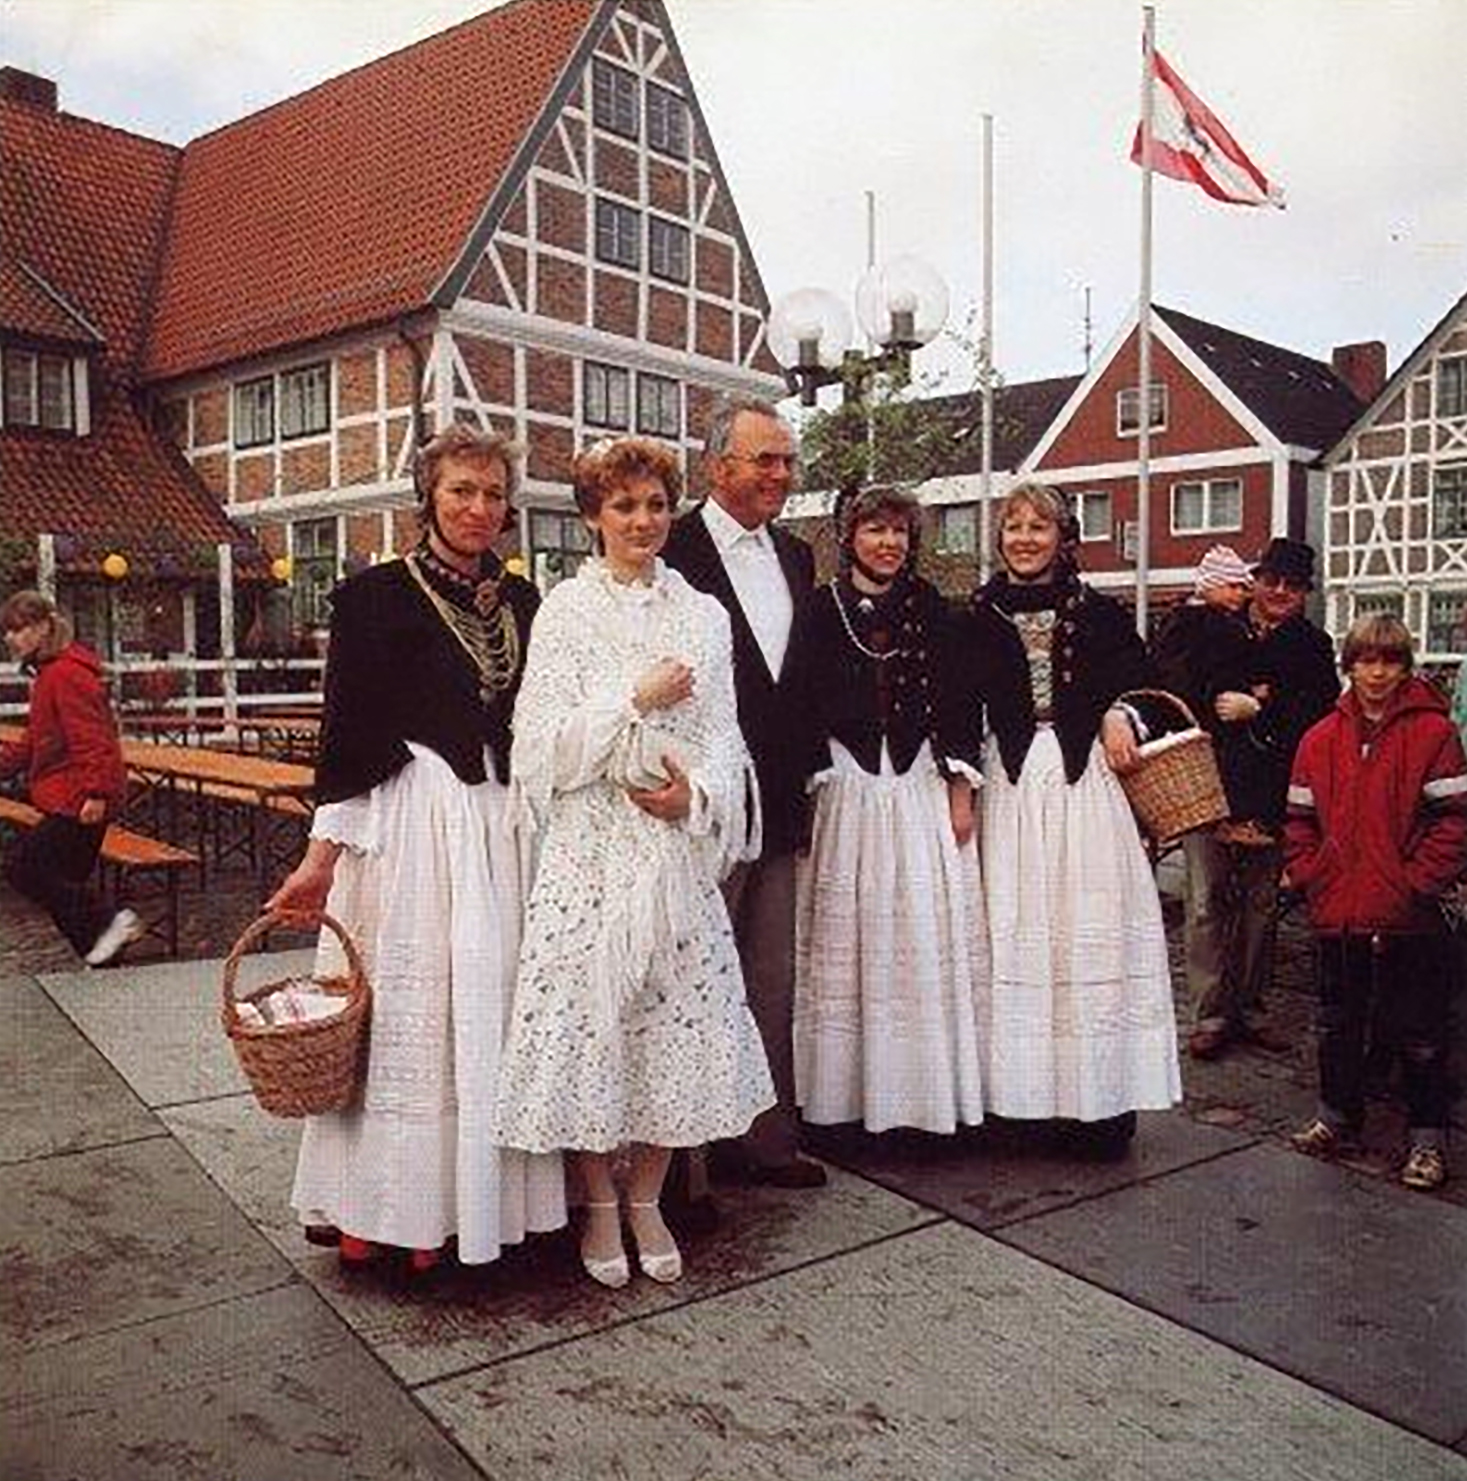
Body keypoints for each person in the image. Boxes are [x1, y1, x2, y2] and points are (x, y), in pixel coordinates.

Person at [266, 423, 565, 1272]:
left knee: (490, 1013)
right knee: (407, 1016)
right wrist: (322, 860)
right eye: (461, 490)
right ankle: (384, 1210)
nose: (477, 508)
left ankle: (481, 1206)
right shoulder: (374, 598)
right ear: (428, 498)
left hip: (503, 828)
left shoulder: (524, 603)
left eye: (493, 494)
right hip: (412, 828)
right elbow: (347, 734)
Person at [494, 436, 774, 1288]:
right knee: (591, 1024)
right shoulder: (564, 613)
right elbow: (536, 749)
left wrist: (695, 796)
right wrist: (633, 700)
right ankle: (597, 1204)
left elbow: (726, 739)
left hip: (673, 856)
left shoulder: (704, 615)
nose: (642, 520)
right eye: (623, 506)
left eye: (655, 504)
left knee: (673, 1026)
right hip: (588, 853)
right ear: (592, 517)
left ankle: (646, 1194)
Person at [961, 482, 1181, 1157]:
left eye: (1039, 526)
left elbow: (1154, 687)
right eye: (1013, 526)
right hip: (1009, 783)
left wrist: (1123, 712)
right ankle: (1016, 1102)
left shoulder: (1100, 614)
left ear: (1063, 537)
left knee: (1085, 928)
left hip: (1083, 783)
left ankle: (1096, 1102)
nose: (1024, 538)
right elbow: (949, 701)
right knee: (1015, 928)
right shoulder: (974, 614)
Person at [661, 396, 827, 1188]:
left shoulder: (796, 556)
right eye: (765, 459)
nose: (781, 474)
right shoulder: (671, 547)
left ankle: (766, 1141)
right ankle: (683, 1162)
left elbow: (799, 682)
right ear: (717, 465)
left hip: (781, 801)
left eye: (787, 460)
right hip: (699, 804)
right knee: (691, 974)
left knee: (769, 977)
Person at [789, 485, 987, 1134]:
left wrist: (959, 787)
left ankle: (919, 1100)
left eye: (899, 532)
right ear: (849, 536)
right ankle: (840, 1103)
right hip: (845, 786)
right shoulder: (819, 609)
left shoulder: (932, 607)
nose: (888, 543)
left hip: (914, 784)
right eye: (875, 529)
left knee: (914, 939)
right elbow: (798, 696)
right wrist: (809, 782)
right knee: (848, 941)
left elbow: (961, 699)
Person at [1284, 614, 1467, 1191]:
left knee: (1420, 1033)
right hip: (1338, 912)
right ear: (1350, 666)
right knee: (1337, 1023)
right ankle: (1337, 1117)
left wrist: (1415, 883)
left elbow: (1454, 821)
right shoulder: (1319, 739)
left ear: (1406, 667)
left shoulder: (1434, 734)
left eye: (1390, 661)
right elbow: (1298, 820)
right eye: (1366, 660)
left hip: (1410, 916)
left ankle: (1427, 1140)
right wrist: (1314, 876)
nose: (1377, 673)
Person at [1185, 537, 1340, 1060]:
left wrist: (1263, 709)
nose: (1278, 592)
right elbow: (1181, 688)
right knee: (1206, 901)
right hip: (1208, 785)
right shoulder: (1213, 626)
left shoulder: (1313, 646)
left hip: (1273, 791)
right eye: (1271, 580)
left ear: (1304, 595)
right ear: (1254, 579)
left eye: (1292, 586)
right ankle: (1209, 1014)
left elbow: (1321, 716)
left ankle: (1249, 1009)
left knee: (1260, 904)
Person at [0, 590, 140, 967]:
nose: (10, 638)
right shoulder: (50, 674)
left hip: (78, 800)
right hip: (66, 796)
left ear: (44, 627)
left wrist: (95, 794)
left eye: (19, 629)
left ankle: (111, 922)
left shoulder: (65, 675)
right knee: (60, 886)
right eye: (7, 631)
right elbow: (35, 742)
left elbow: (92, 737)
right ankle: (103, 958)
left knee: (24, 868)